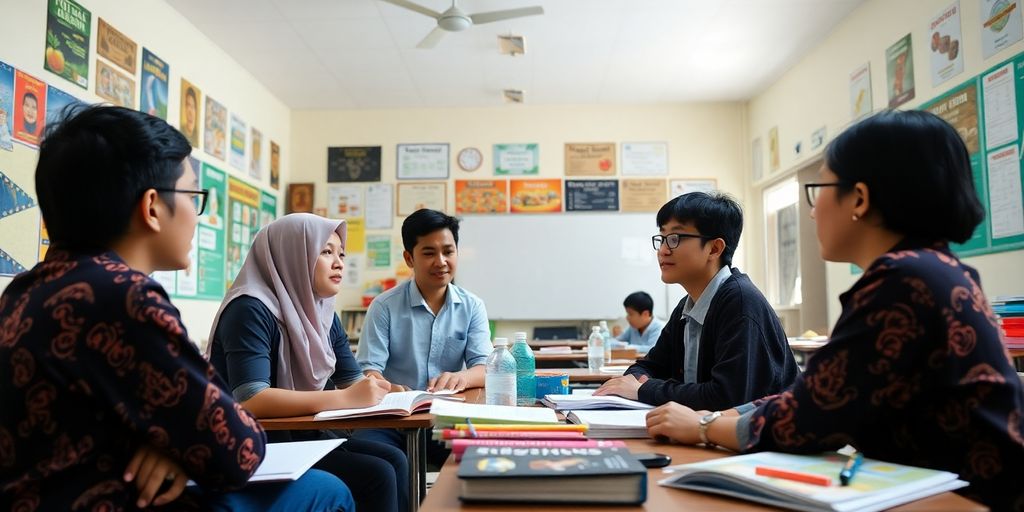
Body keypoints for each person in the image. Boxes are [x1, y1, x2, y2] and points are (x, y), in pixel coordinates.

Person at [644, 110, 1024, 510]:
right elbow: (819, 394)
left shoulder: (903, 280)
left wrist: (704, 426)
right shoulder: (934, 269)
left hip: (965, 501)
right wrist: (718, 417)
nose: (812, 210)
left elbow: (809, 419)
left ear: (859, 198)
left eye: (820, 187)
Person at [0, 105, 352, 511]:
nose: (196, 216)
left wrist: (170, 444)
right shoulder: (124, 298)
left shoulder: (27, 290)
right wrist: (183, 445)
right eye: (192, 196)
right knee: (328, 490)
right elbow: (238, 448)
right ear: (152, 207)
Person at [207, 213, 410, 512]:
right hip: (256, 441)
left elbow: (352, 382)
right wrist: (344, 398)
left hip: (303, 434)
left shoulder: (323, 311)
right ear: (292, 255)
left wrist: (390, 391)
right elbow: (251, 400)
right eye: (326, 252)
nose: (339, 262)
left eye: (341, 253)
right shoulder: (249, 308)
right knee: (377, 474)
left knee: (394, 458)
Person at [595, 192, 799, 411]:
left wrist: (644, 390)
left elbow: (726, 398)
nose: (663, 250)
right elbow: (647, 367)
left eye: (674, 239)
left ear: (714, 248)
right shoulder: (688, 306)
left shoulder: (740, 302)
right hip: (705, 433)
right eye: (662, 238)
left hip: (763, 441)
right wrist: (641, 383)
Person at [355, 208, 492, 465]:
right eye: (429, 253)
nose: (441, 261)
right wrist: (388, 387)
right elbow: (368, 371)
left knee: (484, 455)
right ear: (409, 258)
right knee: (380, 462)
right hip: (391, 420)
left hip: (448, 416)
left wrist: (460, 376)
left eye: (448, 252)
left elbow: (485, 367)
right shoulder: (384, 306)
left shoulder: (472, 306)